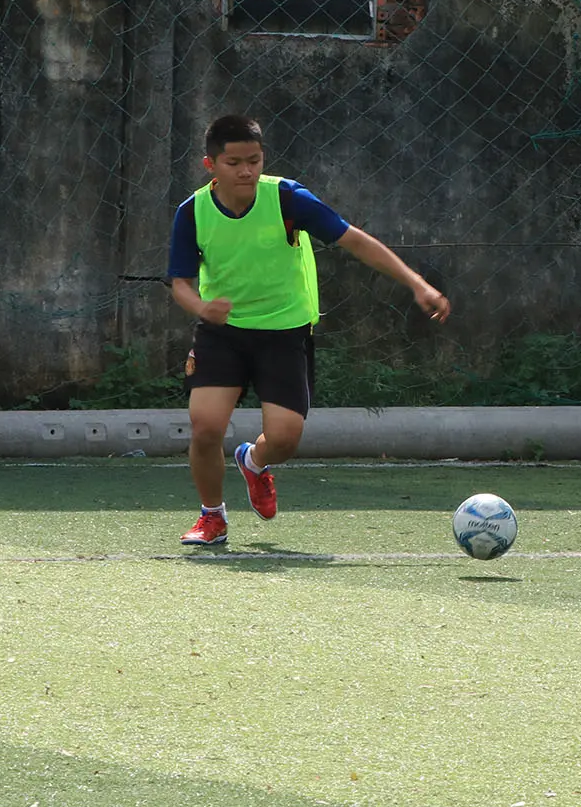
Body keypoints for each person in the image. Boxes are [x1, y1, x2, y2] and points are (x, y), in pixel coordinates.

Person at [166, 113, 449, 546]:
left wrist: (416, 283)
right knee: (205, 426)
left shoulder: (287, 199)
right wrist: (203, 308)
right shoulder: (193, 212)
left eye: (254, 160)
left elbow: (354, 240)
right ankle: (212, 517)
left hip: (284, 332)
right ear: (211, 166)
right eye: (233, 162)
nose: (246, 170)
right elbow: (180, 284)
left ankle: (255, 462)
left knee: (283, 439)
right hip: (222, 332)